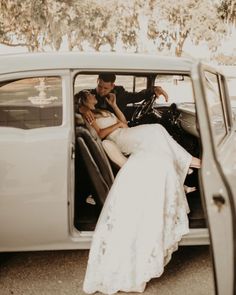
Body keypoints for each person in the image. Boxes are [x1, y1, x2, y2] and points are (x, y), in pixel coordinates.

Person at [77, 90, 201, 294]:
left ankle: (186, 163)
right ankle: (189, 163)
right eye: (90, 94)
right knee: (156, 131)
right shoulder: (86, 114)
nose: (93, 95)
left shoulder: (100, 109)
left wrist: (115, 107)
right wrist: (115, 125)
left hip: (125, 132)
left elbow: (124, 121)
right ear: (83, 100)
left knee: (157, 131)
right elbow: (101, 134)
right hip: (120, 139)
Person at [78, 73, 169, 124]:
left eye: (106, 88)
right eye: (100, 86)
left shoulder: (120, 94)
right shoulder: (89, 95)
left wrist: (153, 90)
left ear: (112, 86)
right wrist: (82, 108)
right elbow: (72, 102)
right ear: (97, 81)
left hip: (121, 125)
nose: (101, 90)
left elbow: (137, 96)